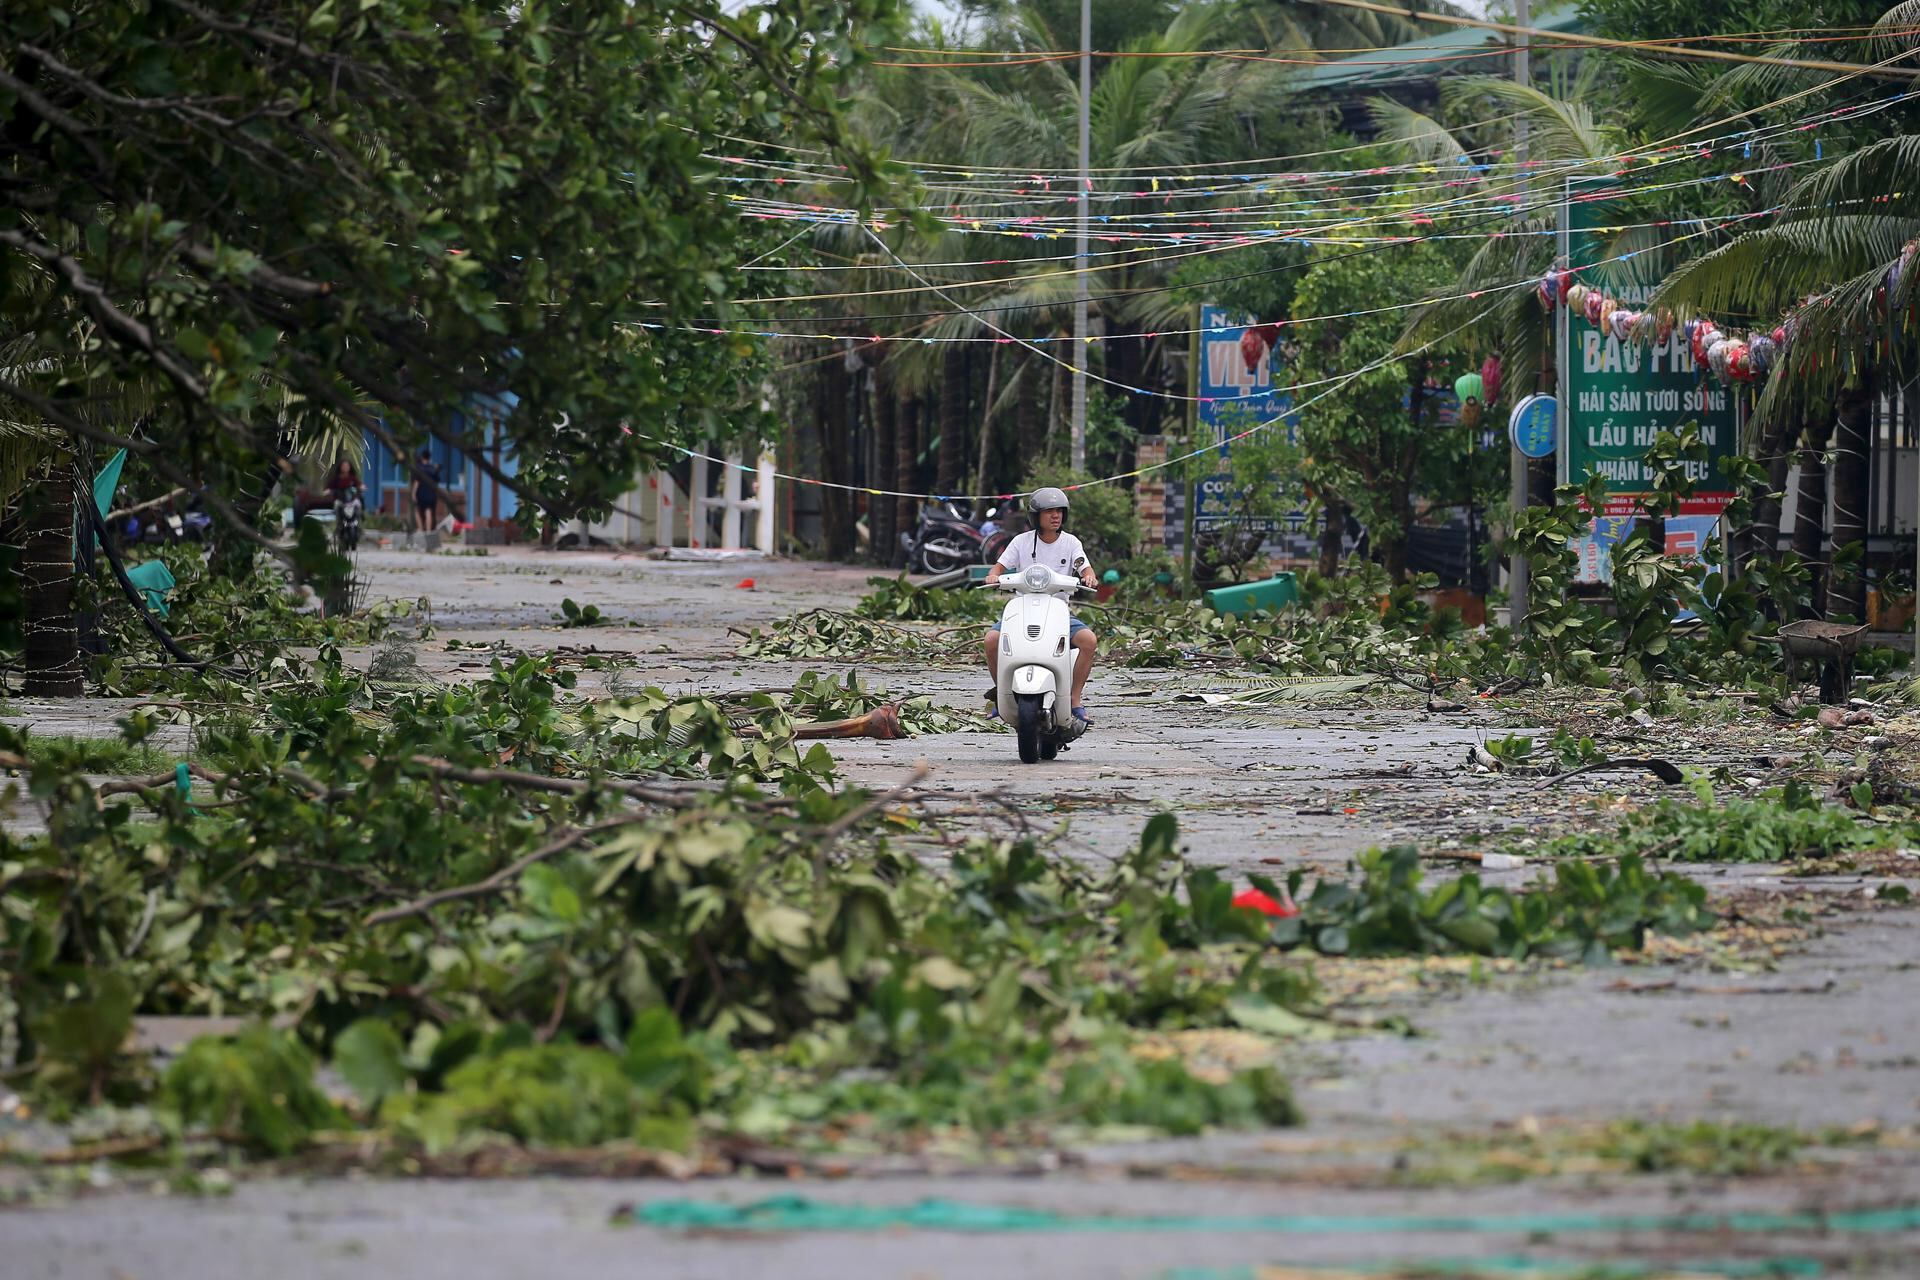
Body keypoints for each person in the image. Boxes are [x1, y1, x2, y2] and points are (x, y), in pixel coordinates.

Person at [983, 486, 1100, 724]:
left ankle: (1074, 699)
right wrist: (993, 576)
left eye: (1059, 511)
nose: (1055, 516)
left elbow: (1084, 567)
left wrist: (1088, 576)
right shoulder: (1021, 542)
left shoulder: (1071, 542)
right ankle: (1002, 697)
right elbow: (998, 567)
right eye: (1049, 512)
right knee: (991, 640)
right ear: (1036, 515)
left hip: (1057, 612)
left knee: (1089, 641)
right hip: (1024, 609)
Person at [412, 447, 440, 532]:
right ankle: (428, 531)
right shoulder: (432, 469)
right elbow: (437, 481)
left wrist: (413, 493)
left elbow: (417, 482)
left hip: (421, 493)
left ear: (422, 457)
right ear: (429, 457)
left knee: (417, 510)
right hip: (431, 494)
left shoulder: (419, 468)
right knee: (428, 512)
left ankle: (421, 528)